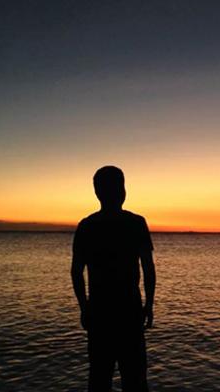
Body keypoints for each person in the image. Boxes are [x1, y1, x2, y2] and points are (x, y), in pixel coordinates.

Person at [71, 166, 155, 392]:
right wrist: (149, 304)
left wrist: (84, 307)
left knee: (99, 377)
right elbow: (148, 268)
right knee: (135, 379)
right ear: (122, 191)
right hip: (128, 311)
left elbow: (76, 272)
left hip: (99, 312)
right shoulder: (136, 223)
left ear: (97, 192)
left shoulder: (87, 226)